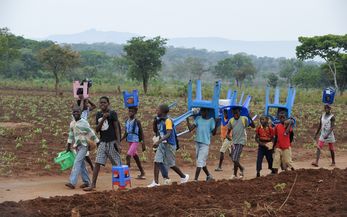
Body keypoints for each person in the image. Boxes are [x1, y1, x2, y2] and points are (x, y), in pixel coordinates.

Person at [84, 96, 122, 191]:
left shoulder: (113, 113)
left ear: (108, 104)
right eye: (101, 103)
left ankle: (121, 184)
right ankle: (93, 185)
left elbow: (117, 128)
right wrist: (103, 118)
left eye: (104, 102)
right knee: (97, 163)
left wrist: (118, 142)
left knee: (117, 164)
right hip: (103, 142)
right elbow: (97, 129)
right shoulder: (99, 114)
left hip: (112, 142)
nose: (102, 104)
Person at [148, 104, 189, 187]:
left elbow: (169, 133)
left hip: (169, 144)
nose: (156, 111)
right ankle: (156, 182)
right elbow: (156, 130)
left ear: (162, 112)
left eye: (158, 110)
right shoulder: (159, 120)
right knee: (157, 161)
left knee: (171, 164)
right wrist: (154, 122)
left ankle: (183, 176)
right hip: (163, 144)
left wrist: (158, 141)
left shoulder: (168, 121)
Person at [65, 105, 99, 189]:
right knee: (82, 165)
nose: (76, 113)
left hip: (84, 145)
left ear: (81, 113)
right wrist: (68, 146)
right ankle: (87, 182)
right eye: (74, 112)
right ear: (72, 113)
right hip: (77, 146)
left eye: (77, 112)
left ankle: (72, 183)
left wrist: (97, 142)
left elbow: (91, 132)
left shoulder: (84, 122)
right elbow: (71, 135)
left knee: (77, 162)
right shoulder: (72, 123)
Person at [186, 108, 219, 181]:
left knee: (200, 161)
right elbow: (190, 129)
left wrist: (216, 123)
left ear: (207, 111)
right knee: (201, 162)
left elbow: (213, 133)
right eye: (202, 111)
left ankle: (195, 179)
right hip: (197, 142)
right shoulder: (198, 118)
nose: (203, 112)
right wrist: (187, 119)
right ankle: (209, 176)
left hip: (205, 144)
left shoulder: (211, 120)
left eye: (204, 111)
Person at [226, 108, 255, 179]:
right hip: (234, 141)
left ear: (240, 112)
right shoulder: (231, 121)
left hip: (241, 141)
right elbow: (228, 133)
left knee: (235, 158)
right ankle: (235, 175)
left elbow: (253, 126)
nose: (235, 114)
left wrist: (250, 118)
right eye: (234, 113)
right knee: (234, 157)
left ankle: (241, 168)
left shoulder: (243, 119)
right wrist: (228, 138)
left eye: (237, 112)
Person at [121, 106, 146, 179]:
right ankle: (142, 172)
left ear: (135, 112)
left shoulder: (137, 121)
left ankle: (127, 174)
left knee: (128, 155)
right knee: (135, 156)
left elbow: (141, 132)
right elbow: (126, 133)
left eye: (132, 111)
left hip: (135, 140)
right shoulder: (127, 121)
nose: (130, 113)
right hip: (129, 140)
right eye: (129, 111)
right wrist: (119, 140)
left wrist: (143, 143)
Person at [77, 95, 97, 171]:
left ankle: (90, 166)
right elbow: (81, 108)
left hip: (85, 132)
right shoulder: (79, 111)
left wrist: (87, 99)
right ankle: (90, 166)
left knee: (84, 151)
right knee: (83, 151)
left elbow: (94, 106)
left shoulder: (86, 110)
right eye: (86, 103)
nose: (87, 104)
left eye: (87, 103)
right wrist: (82, 100)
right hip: (79, 132)